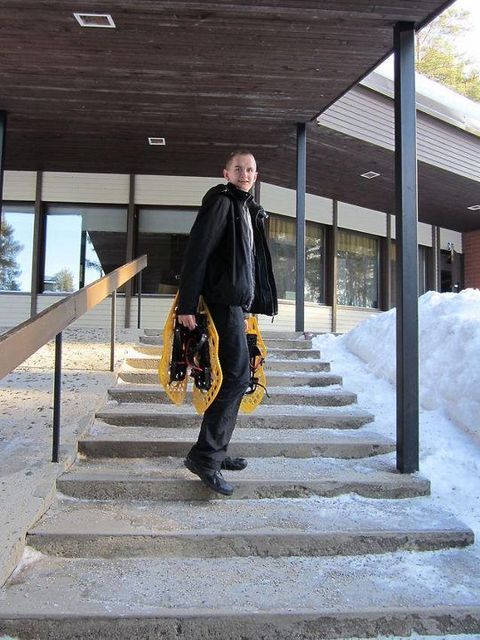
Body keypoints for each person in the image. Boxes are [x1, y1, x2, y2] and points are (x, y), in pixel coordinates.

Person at [176, 150, 277, 496]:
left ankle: (216, 450)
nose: (244, 174)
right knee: (236, 377)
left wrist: (249, 306)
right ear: (226, 173)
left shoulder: (246, 209)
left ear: (256, 175)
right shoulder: (221, 203)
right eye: (238, 169)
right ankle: (206, 457)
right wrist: (187, 303)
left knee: (238, 376)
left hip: (236, 305)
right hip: (220, 302)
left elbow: (245, 263)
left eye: (250, 169)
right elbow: (197, 251)